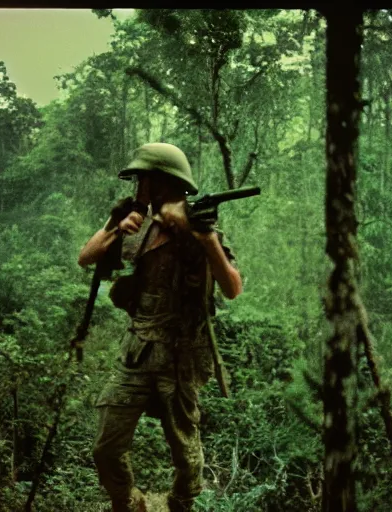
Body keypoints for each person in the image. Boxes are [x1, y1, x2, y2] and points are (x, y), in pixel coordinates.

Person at [78, 143, 242, 512]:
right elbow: (86, 257)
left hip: (180, 358)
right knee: (106, 447)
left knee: (187, 455)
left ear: (163, 182)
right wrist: (117, 230)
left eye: (143, 179)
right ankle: (129, 501)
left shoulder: (200, 226)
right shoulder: (134, 223)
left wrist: (205, 238)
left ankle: (180, 503)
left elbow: (232, 288)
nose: (138, 187)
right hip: (136, 353)